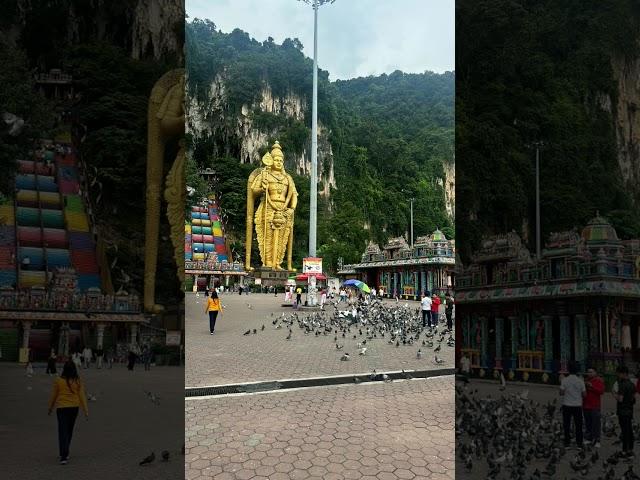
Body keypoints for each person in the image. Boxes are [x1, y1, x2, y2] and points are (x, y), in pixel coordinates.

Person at [48, 360, 89, 465]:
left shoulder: (58, 381)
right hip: (74, 408)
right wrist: (85, 411)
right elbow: (82, 396)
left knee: (62, 431)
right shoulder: (77, 381)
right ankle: (65, 451)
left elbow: (54, 395)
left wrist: (50, 408)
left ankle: (64, 455)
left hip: (61, 408)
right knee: (69, 430)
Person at [560, 362, 586, 449]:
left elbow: (561, 393)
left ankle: (567, 443)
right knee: (578, 425)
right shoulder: (580, 381)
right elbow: (584, 394)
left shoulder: (565, 380)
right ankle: (579, 443)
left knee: (566, 424)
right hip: (577, 405)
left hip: (567, 404)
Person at [615, 365, 636, 459]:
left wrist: (614, 394)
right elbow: (633, 399)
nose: (618, 376)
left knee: (625, 431)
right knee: (630, 430)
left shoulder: (622, 385)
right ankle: (630, 449)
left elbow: (620, 399)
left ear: (623, 373)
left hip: (623, 411)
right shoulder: (632, 384)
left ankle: (624, 451)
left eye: (618, 374)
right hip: (629, 410)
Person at [583, 368, 604, 448]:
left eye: (591, 372)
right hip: (585, 405)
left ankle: (597, 440)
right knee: (588, 423)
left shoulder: (598, 380)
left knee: (596, 423)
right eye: (588, 372)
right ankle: (589, 438)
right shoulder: (585, 380)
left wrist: (592, 387)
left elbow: (601, 391)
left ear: (595, 373)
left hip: (595, 406)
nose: (589, 373)